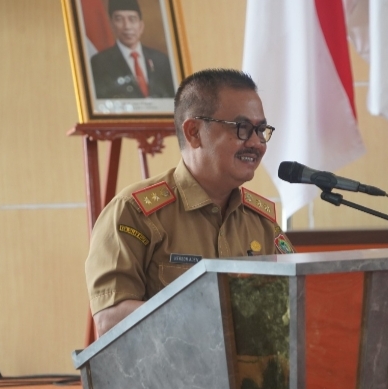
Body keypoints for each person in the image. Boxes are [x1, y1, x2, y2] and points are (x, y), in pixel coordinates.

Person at [85, 68, 295, 336]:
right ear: (194, 132)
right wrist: (214, 316)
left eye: (261, 130)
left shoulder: (261, 222)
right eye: (242, 128)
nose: (257, 143)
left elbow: (298, 300)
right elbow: (110, 319)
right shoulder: (135, 212)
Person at [90, 0, 175, 99]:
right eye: (119, 19)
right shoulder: (99, 63)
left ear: (141, 26)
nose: (127, 26)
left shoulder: (161, 60)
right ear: (112, 25)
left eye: (132, 19)